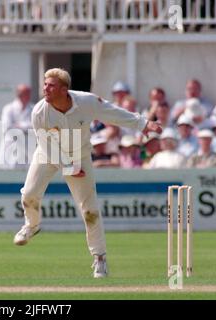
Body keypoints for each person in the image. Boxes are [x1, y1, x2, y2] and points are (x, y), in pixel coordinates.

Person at [13, 68, 162, 278]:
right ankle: (32, 225)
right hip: (48, 153)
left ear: (64, 90)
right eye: (45, 84)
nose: (45, 88)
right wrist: (69, 168)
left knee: (90, 210)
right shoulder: (39, 112)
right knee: (29, 194)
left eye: (51, 85)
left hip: (79, 155)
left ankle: (100, 258)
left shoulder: (86, 102)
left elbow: (112, 112)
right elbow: (47, 147)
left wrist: (143, 124)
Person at [0, 84, 35, 169]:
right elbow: (7, 128)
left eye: (28, 93)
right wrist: (26, 127)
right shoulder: (9, 108)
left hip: (27, 149)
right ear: (18, 94)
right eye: (24, 93)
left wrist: (20, 125)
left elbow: (35, 127)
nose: (27, 95)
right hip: (10, 147)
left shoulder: (33, 108)